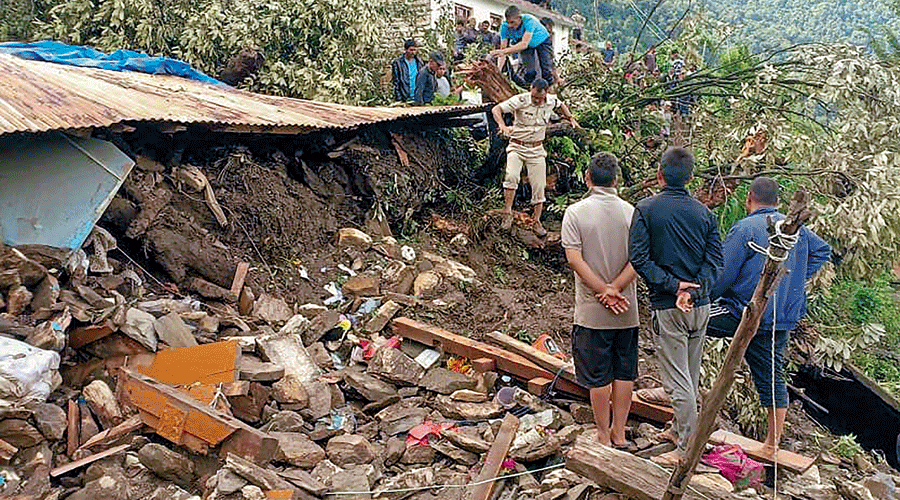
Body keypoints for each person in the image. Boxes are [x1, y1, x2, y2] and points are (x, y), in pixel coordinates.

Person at [708, 177, 831, 458]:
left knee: (689, 323)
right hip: (781, 316)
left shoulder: (745, 229)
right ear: (779, 201)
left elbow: (723, 276)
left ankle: (678, 393)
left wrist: (699, 297)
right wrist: (795, 280)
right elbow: (823, 250)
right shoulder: (796, 229)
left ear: (749, 198)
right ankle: (772, 443)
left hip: (742, 311)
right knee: (772, 376)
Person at [629, 147, 723, 466]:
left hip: (669, 307)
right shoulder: (705, 214)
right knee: (691, 376)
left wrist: (673, 287)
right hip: (700, 307)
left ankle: (687, 448)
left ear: (659, 174)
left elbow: (639, 258)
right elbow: (715, 262)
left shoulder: (646, 209)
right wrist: (694, 291)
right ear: (691, 179)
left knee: (677, 381)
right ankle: (677, 429)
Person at [562, 152, 640, 448]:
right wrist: (616, 288)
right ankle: (620, 432)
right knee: (624, 373)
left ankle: (603, 434)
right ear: (616, 180)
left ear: (587, 177)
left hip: (592, 311)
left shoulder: (576, 212)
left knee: (598, 376)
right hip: (625, 310)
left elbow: (574, 259)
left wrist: (602, 291)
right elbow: (638, 259)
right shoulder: (632, 213)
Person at [492, 78, 579, 236]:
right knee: (511, 176)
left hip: (537, 148)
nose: (538, 101)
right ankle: (507, 213)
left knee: (539, 185)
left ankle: (537, 220)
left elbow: (561, 105)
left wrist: (570, 117)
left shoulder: (551, 100)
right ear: (531, 90)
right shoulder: (520, 100)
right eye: (535, 98)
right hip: (517, 146)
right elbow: (496, 109)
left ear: (546, 94)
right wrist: (502, 126)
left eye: (540, 98)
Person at [491, 6, 555, 87]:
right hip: (527, 44)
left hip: (541, 40)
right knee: (530, 71)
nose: (510, 25)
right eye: (508, 22)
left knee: (546, 70)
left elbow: (524, 44)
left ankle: (549, 90)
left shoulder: (529, 21)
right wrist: (498, 71)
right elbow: (503, 51)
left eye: (512, 22)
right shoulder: (504, 27)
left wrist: (503, 51)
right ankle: (528, 88)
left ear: (519, 18)